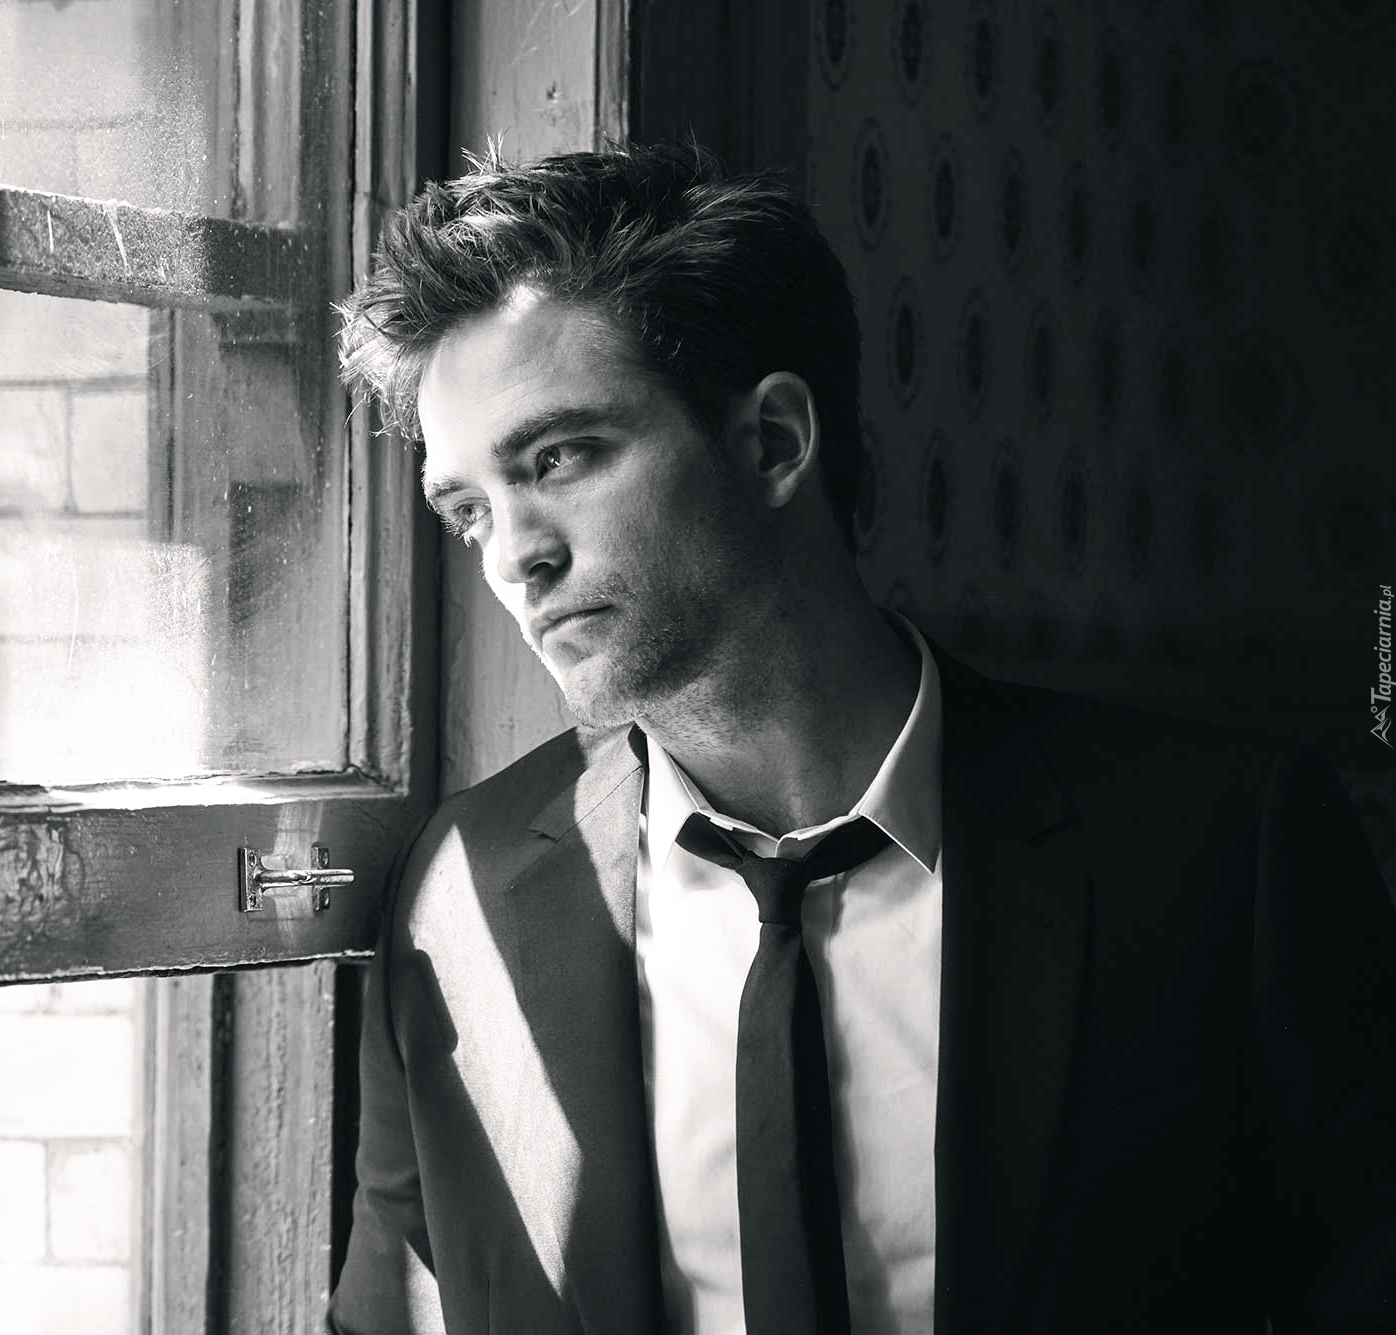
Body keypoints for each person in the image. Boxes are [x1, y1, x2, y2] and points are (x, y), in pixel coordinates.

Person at [326, 143, 1396, 1335]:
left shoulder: (1219, 853)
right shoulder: (457, 894)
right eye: (468, 509)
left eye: (557, 459)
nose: (513, 557)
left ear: (774, 442)